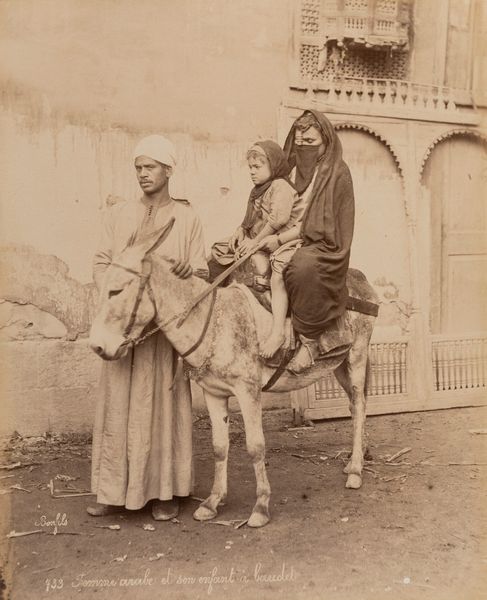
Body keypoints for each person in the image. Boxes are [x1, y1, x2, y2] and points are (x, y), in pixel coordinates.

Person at [88, 134, 209, 520]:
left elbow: (200, 274)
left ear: (168, 170)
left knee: (162, 407)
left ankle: (164, 492)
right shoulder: (119, 214)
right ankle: (111, 491)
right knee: (118, 405)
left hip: (161, 337)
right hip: (124, 328)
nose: (142, 174)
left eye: (150, 167)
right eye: (138, 168)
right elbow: (102, 262)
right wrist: (120, 298)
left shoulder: (188, 218)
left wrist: (191, 273)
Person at [209, 140, 301, 358]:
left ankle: (278, 330)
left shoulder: (281, 186)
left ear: (273, 165)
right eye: (250, 167)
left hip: (282, 240)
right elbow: (249, 219)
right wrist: (239, 232)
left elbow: (276, 220)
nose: (252, 171)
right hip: (258, 239)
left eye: (257, 167)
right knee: (218, 251)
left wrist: (254, 242)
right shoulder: (257, 190)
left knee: (275, 272)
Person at [282, 110, 355, 373]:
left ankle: (309, 342)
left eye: (310, 143)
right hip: (282, 233)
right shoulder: (288, 169)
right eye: (299, 143)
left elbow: (330, 227)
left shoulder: (337, 173)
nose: (303, 148)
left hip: (322, 243)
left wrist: (285, 238)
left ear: (325, 143)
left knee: (303, 267)